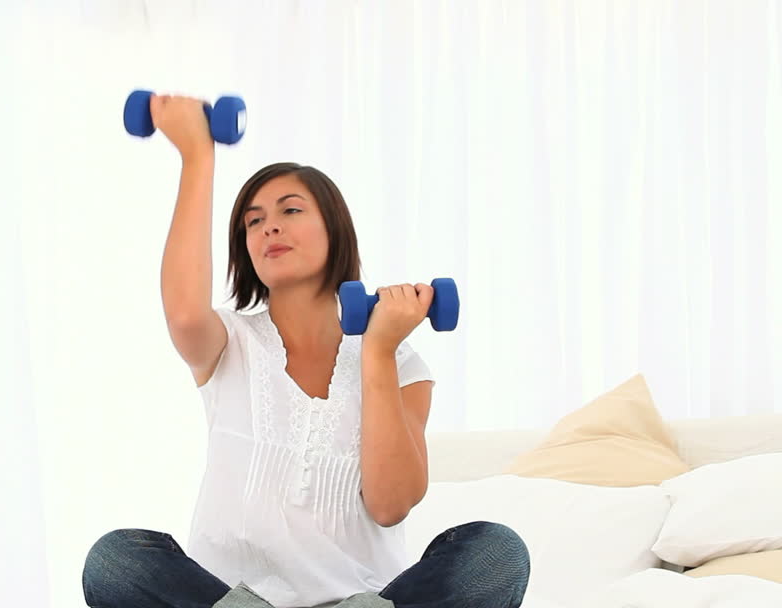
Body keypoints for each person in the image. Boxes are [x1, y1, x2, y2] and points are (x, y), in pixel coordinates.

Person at [82, 95, 530, 608]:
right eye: (253, 222)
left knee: (495, 552)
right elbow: (184, 313)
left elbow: (391, 504)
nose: (269, 227)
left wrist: (378, 350)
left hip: (360, 601)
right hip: (229, 601)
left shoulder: (402, 363)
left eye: (290, 210)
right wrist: (197, 155)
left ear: (334, 228)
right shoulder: (229, 343)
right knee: (116, 559)